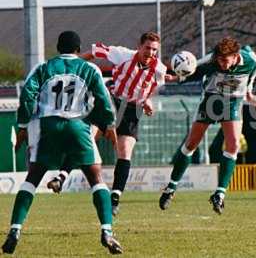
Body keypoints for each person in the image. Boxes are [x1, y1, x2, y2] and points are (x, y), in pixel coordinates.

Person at [1, 31, 122, 254]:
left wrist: (22, 127)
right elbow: (104, 100)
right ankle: (107, 231)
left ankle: (15, 230)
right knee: (96, 178)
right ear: (78, 49)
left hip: (49, 127)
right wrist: (109, 126)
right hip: (77, 126)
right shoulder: (89, 69)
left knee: (33, 178)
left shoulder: (42, 68)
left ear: (58, 47)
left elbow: (27, 95)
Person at [47, 32, 170, 216]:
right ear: (139, 46)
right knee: (89, 138)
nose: (150, 52)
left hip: (132, 111)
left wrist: (146, 101)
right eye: (147, 48)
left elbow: (149, 89)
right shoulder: (123, 55)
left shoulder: (159, 69)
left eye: (154, 50)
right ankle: (61, 176)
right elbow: (95, 51)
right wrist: (73, 64)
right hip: (112, 101)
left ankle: (115, 198)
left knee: (125, 151)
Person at [159, 36, 256, 214]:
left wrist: (249, 93)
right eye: (219, 60)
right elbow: (192, 69)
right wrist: (174, 78)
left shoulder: (251, 60)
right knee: (191, 144)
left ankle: (219, 194)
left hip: (233, 101)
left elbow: (253, 73)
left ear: (236, 56)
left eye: (225, 60)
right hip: (211, 100)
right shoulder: (212, 59)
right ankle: (171, 187)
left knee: (234, 144)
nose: (221, 64)